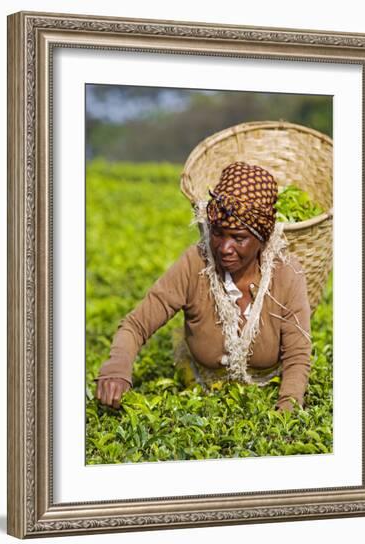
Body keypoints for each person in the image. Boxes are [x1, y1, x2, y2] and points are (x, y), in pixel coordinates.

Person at [95, 161, 311, 411]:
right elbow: (135, 325)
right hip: (199, 394)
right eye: (218, 232)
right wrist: (116, 368)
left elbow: (297, 355)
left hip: (269, 393)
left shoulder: (286, 273)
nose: (224, 248)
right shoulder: (194, 263)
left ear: (261, 239)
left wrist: (287, 409)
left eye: (239, 238)